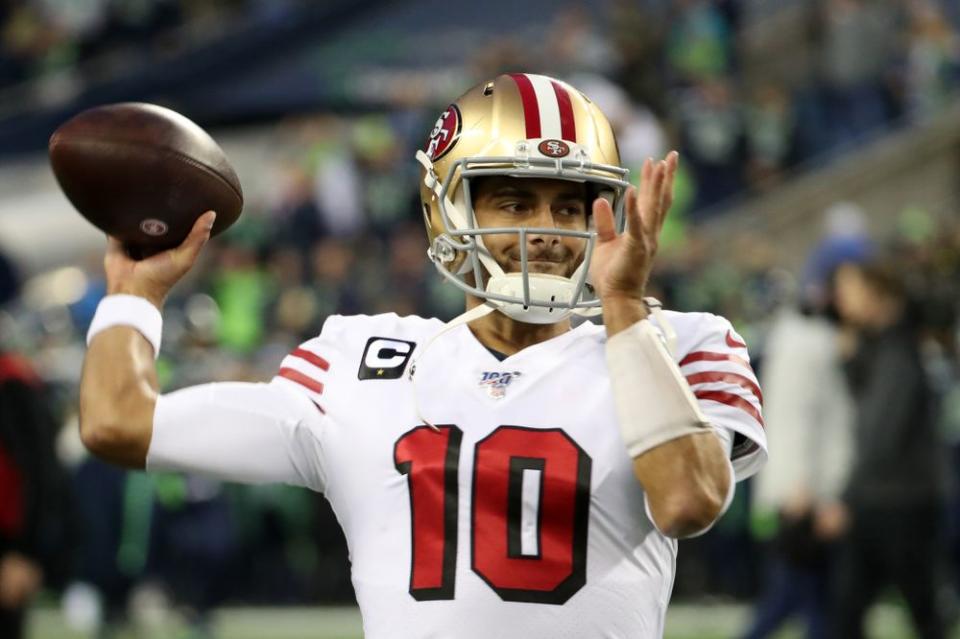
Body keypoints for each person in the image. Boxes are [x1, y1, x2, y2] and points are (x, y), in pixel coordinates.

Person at [78, 73, 767, 638]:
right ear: (450, 209)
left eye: (569, 207)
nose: (548, 232)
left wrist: (624, 309)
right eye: (516, 202)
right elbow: (119, 421)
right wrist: (134, 296)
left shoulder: (680, 342)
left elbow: (687, 500)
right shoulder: (360, 360)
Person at [831, 258, 948, 639]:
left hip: (899, 502)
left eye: (850, 290)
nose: (841, 301)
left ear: (878, 295)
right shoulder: (880, 347)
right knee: (850, 609)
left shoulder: (900, 351)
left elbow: (880, 433)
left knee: (920, 610)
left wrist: (845, 498)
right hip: (886, 498)